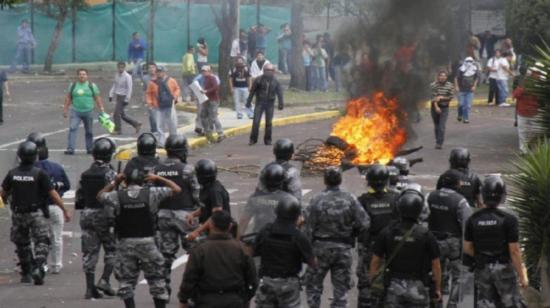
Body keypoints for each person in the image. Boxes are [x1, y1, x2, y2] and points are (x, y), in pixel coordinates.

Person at [98, 169, 182, 308]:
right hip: (148, 241)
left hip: (126, 243)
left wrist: (115, 182)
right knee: (157, 281)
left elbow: (100, 196)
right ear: (143, 181)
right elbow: (176, 189)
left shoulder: (118, 195)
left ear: (126, 181)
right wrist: (158, 178)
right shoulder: (151, 193)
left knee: (126, 282)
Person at [1, 141, 70, 285]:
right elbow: (53, 194)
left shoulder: (12, 173)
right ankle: (39, 268)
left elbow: (3, 192)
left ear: (19, 156)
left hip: (18, 213)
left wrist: (6, 199)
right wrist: (64, 209)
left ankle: (26, 272)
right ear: (35, 157)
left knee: (22, 243)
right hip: (36, 212)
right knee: (42, 242)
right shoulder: (39, 174)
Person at [305, 167, 370, 308]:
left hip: (320, 248)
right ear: (340, 180)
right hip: (343, 249)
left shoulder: (316, 199)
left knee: (313, 288)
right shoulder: (350, 199)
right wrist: (352, 233)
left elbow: (308, 227)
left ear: (325, 180)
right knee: (341, 291)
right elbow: (365, 223)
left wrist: (308, 251)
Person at [369, 188, 442, 308]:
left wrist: (373, 283)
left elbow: (375, 260)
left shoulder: (387, 231)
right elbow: (436, 265)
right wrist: (437, 288)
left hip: (393, 287)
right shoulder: (425, 234)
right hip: (419, 287)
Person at [463, 175, 528, 307]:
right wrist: (522, 275)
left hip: (482, 269)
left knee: (486, 303)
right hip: (504, 268)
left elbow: (467, 247)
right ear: (502, 195)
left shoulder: (473, 219)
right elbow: (514, 251)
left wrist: (482, 257)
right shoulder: (509, 219)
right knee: (511, 303)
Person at [178, 210, 258, 308]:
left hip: (206, 301)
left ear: (211, 225)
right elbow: (253, 280)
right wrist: (244, 299)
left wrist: (183, 300)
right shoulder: (242, 250)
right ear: (229, 227)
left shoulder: (200, 250)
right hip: (234, 300)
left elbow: (189, 279)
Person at [154, 134, 200, 296]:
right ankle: (193, 289)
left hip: (163, 215)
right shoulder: (187, 169)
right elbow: (196, 195)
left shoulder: (157, 169)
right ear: (181, 152)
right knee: (196, 253)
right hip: (185, 216)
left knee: (165, 255)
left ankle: (163, 289)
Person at [254, 194, 315, 308]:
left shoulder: (265, 231)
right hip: (289, 284)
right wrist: (303, 280)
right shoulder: (298, 236)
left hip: (267, 281)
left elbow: (254, 253)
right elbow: (313, 263)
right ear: (296, 215)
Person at [75, 137, 118, 299]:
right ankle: (105, 280)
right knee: (112, 249)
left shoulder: (85, 174)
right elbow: (115, 197)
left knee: (89, 252)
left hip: (87, 214)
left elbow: (79, 198)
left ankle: (89, 288)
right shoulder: (111, 174)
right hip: (104, 214)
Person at [427, 169, 472, 308]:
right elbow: (467, 226)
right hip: (454, 244)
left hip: (433, 241)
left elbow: (422, 218)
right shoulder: (460, 201)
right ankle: (452, 304)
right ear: (457, 184)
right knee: (459, 276)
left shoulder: (430, 196)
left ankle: (436, 301)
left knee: (434, 273)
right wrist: (467, 251)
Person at [27, 133, 70, 275]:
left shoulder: (32, 170)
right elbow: (67, 185)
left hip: (38, 208)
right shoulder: (57, 167)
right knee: (56, 237)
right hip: (55, 206)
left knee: (37, 238)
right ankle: (56, 264)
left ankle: (38, 264)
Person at [356, 164, 399, 308]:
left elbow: (356, 226)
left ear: (369, 180)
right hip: (392, 249)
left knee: (366, 284)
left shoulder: (362, 201)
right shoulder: (396, 199)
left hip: (370, 249)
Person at [239, 163, 296, 237]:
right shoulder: (288, 199)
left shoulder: (255, 198)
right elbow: (298, 221)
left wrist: (238, 241)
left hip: (258, 238)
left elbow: (244, 220)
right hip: (281, 238)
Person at [185, 159, 231, 241]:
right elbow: (206, 206)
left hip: (218, 233)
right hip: (209, 230)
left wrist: (197, 232)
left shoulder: (215, 191)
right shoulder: (206, 187)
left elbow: (216, 215)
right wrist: (193, 214)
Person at [63, 69, 105, 155]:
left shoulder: (91, 86)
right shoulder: (73, 85)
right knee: (72, 128)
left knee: (89, 131)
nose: (82, 76)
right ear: (78, 76)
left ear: (87, 76)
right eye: (80, 74)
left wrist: (101, 107)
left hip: (88, 111)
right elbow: (68, 98)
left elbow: (97, 97)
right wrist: (65, 109)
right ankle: (71, 148)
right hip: (76, 111)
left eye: (84, 74)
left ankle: (89, 148)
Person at [246, 64, 284, 146]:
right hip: (259, 102)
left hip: (270, 103)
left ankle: (268, 140)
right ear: (264, 71)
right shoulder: (258, 80)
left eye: (270, 71)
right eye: (267, 70)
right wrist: (248, 102)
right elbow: (252, 92)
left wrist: (281, 103)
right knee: (256, 122)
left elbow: (279, 93)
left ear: (273, 72)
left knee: (269, 122)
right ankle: (253, 139)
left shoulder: (276, 81)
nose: (268, 72)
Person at [146, 65, 180, 147]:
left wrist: (175, 97)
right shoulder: (152, 83)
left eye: (160, 72)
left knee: (172, 124)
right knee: (159, 125)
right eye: (157, 72)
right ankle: (162, 142)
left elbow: (177, 89)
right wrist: (150, 103)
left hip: (169, 105)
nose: (159, 73)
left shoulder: (171, 80)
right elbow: (148, 93)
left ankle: (173, 140)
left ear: (164, 72)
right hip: (157, 106)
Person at [109, 61, 142, 135]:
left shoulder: (127, 76)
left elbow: (129, 88)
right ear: (117, 67)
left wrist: (127, 99)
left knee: (116, 113)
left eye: (122, 67)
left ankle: (118, 129)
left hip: (123, 97)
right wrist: (110, 94)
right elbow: (115, 85)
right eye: (119, 67)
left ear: (124, 68)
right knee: (122, 114)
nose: (120, 69)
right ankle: (136, 124)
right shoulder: (117, 75)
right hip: (118, 96)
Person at [513, 71, 539, 154]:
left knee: (533, 132)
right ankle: (524, 151)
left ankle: (531, 150)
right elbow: (515, 95)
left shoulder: (539, 88)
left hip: (534, 113)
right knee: (524, 133)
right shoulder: (522, 87)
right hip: (524, 112)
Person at [200, 65, 226, 143]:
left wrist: (206, 91)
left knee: (213, 117)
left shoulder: (212, 78)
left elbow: (216, 87)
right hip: (206, 100)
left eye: (205, 71)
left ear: (209, 71)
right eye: (203, 71)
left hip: (213, 100)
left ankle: (220, 133)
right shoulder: (204, 79)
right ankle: (208, 132)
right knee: (203, 115)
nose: (204, 72)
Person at [430, 70, 455, 149]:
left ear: (446, 77)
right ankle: (438, 139)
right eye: (441, 76)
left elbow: (451, 97)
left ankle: (439, 143)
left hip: (444, 108)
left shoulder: (450, 85)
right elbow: (433, 97)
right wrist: (436, 107)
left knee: (442, 126)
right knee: (436, 126)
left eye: (444, 76)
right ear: (438, 77)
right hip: (434, 107)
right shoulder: (433, 85)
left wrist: (442, 97)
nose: (442, 77)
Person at [455, 57, 479, 123]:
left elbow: (476, 78)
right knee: (461, 104)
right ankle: (460, 114)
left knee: (467, 105)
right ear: (465, 61)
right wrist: (456, 86)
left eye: (470, 61)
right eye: (468, 61)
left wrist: (474, 86)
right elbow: (456, 78)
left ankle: (466, 118)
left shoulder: (475, 69)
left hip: (470, 90)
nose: (469, 63)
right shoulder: (460, 69)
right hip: (461, 90)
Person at [142, 62, 159, 134]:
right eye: (150, 68)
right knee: (152, 115)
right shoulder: (145, 78)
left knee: (158, 116)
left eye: (153, 67)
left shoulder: (159, 77)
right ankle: (154, 130)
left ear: (156, 68)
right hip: (150, 99)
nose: (151, 69)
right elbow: (144, 89)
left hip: (159, 99)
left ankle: (158, 129)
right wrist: (144, 98)